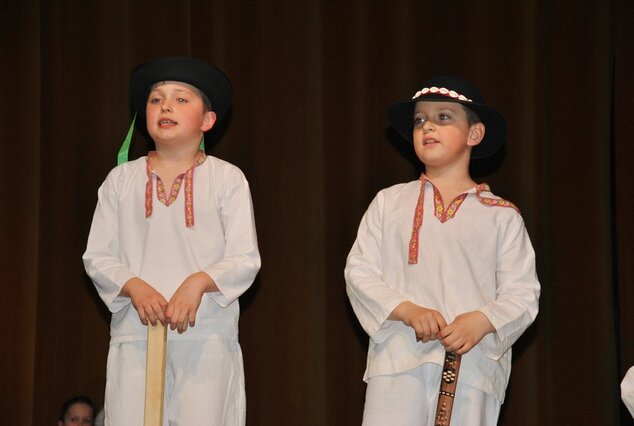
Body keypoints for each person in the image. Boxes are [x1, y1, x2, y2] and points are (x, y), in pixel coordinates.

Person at [345, 76, 540, 425]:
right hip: (398, 361)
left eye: (444, 117)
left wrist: (482, 321)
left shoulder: (501, 215)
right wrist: (405, 309)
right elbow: (359, 271)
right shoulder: (389, 202)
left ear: (474, 134)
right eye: (420, 120)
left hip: (474, 368)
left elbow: (523, 294)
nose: (428, 127)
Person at [83, 56, 260, 425]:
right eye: (156, 99)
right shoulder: (120, 181)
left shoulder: (228, 179)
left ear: (208, 120)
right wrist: (132, 286)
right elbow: (98, 255)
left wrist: (198, 282)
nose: (166, 105)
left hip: (207, 335)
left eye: (181, 99)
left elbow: (245, 257)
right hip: (135, 335)